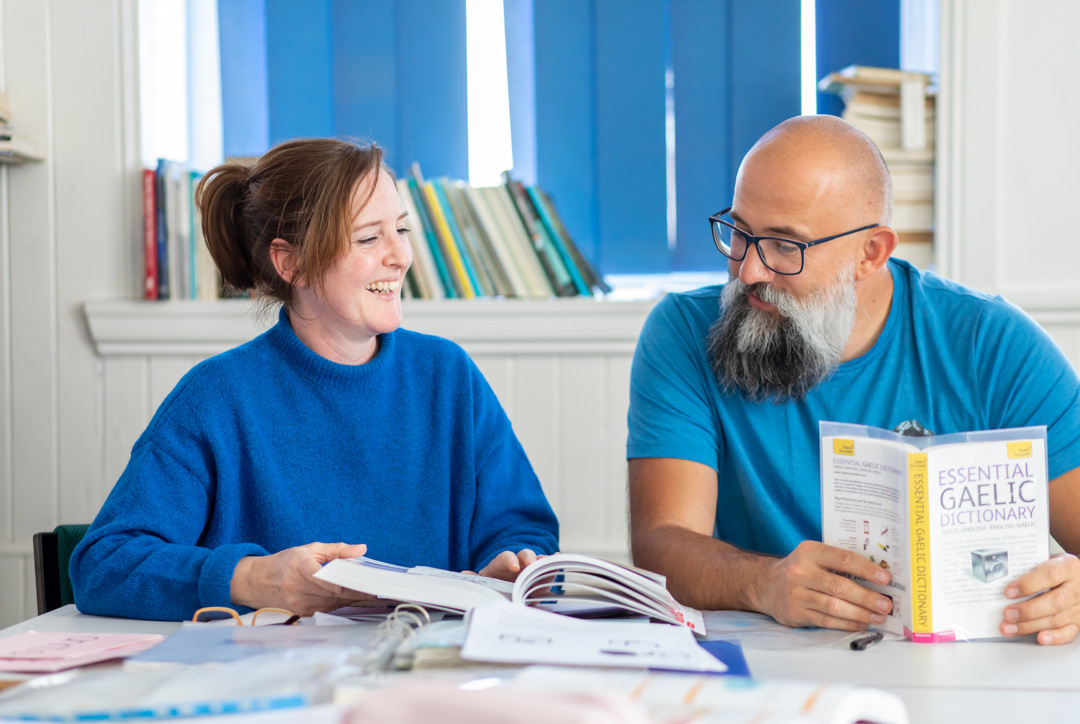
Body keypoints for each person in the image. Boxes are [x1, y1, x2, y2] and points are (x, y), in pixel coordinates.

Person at [627, 115, 1080, 645]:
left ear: (871, 253)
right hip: (769, 665)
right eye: (739, 232)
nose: (748, 269)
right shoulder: (683, 333)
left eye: (783, 246)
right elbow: (662, 543)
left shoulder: (991, 344)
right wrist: (763, 582)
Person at [71, 138, 559, 621]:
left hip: (426, 677)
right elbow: (104, 564)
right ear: (291, 262)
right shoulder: (216, 398)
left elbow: (522, 532)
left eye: (402, 230)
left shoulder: (449, 377)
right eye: (369, 238)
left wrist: (513, 563)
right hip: (270, 687)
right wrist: (251, 577)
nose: (400, 256)